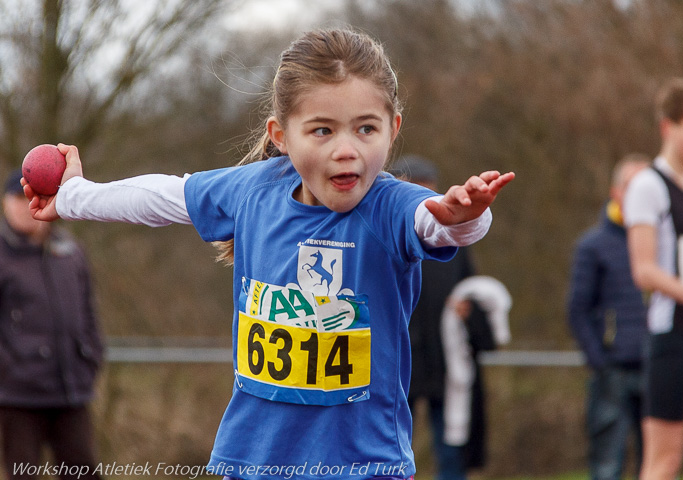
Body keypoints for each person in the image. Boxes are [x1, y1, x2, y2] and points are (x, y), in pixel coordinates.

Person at [22, 29, 515, 480]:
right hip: (254, 460)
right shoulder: (254, 191)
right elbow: (163, 197)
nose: (347, 150)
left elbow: (437, 223)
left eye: (366, 129)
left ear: (393, 128)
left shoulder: (390, 205)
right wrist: (73, 196)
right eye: (323, 130)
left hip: (363, 466)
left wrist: (463, 214)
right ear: (282, 136)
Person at [624, 77, 683, 480]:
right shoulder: (648, 187)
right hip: (671, 334)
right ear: (669, 127)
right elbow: (644, 271)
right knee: (664, 459)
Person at [0, 169, 103, 480]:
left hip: (70, 391)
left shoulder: (70, 252)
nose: (23, 206)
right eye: (17, 198)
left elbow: (88, 313)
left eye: (29, 197)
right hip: (17, 396)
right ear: (5, 203)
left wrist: (90, 357)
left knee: (84, 473)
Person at [392, 154, 479, 480]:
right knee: (394, 447)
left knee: (451, 450)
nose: (427, 205)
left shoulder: (453, 235)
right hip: (400, 362)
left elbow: (471, 286)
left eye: (432, 195)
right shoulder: (384, 233)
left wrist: (468, 309)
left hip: (444, 362)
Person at [567, 154, 650, 480]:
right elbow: (577, 309)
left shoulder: (664, 243)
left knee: (658, 463)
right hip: (611, 372)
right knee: (606, 464)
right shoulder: (593, 246)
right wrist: (600, 359)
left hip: (658, 366)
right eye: (634, 185)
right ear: (616, 191)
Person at [440, 275, 511, 475]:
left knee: (454, 445)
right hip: (417, 373)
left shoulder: (460, 269)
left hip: (453, 379)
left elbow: (488, 342)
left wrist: (469, 318)